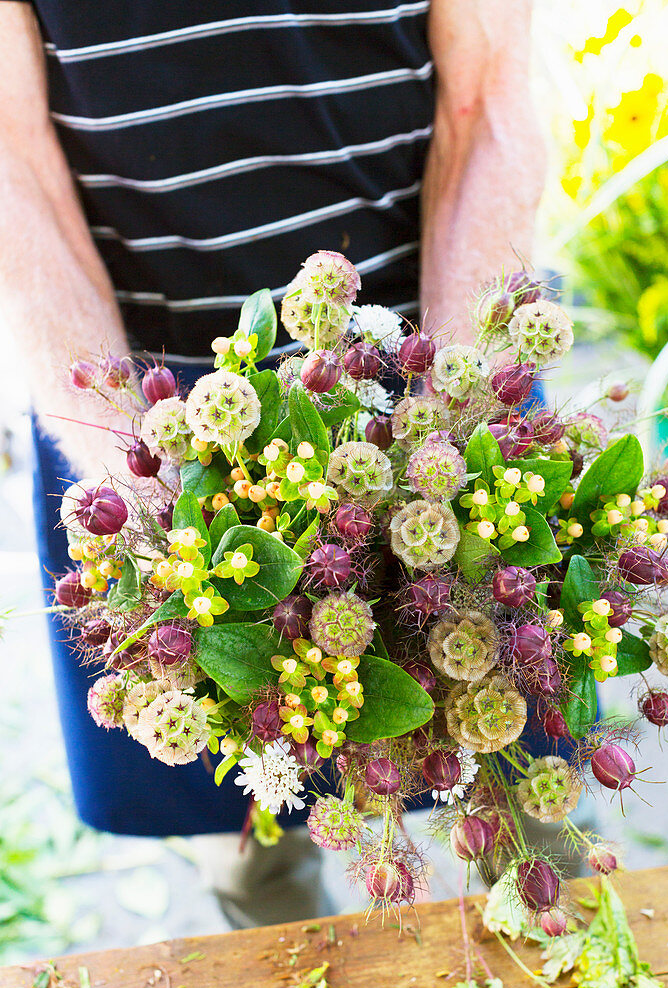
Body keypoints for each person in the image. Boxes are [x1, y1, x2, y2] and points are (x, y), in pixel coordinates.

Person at [0, 1, 546, 923]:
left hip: (431, 375)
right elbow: (14, 167)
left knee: (524, 796)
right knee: (252, 826)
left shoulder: (442, 408)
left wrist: (441, 426)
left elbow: (488, 103)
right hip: (149, 424)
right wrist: (142, 480)